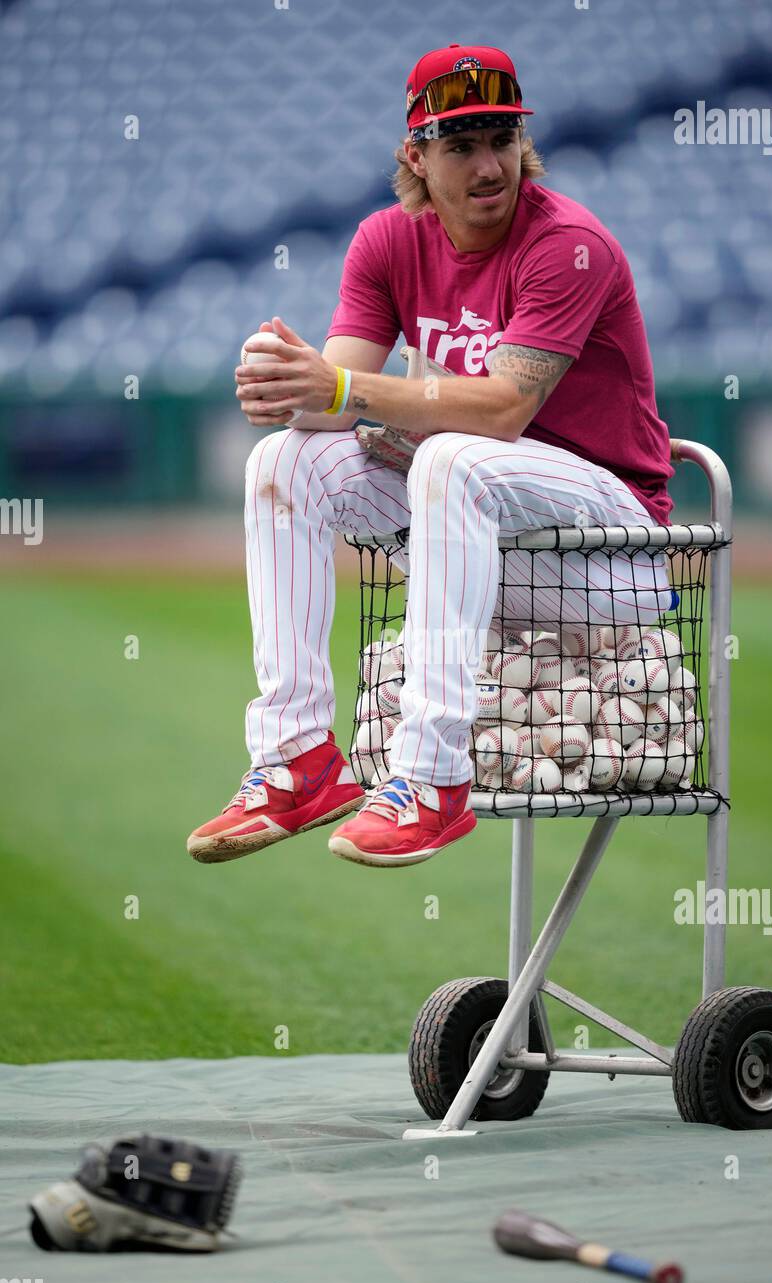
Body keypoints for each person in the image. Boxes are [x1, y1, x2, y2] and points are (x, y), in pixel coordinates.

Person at [187, 42, 674, 870]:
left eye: (501, 138)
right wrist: (287, 382)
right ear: (416, 155)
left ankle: (431, 777)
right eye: (461, 144)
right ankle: (298, 758)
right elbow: (334, 401)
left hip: (612, 554)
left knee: (451, 455)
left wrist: (342, 392)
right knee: (280, 466)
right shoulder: (388, 242)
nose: (490, 164)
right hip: (490, 546)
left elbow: (503, 408)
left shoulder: (568, 245)